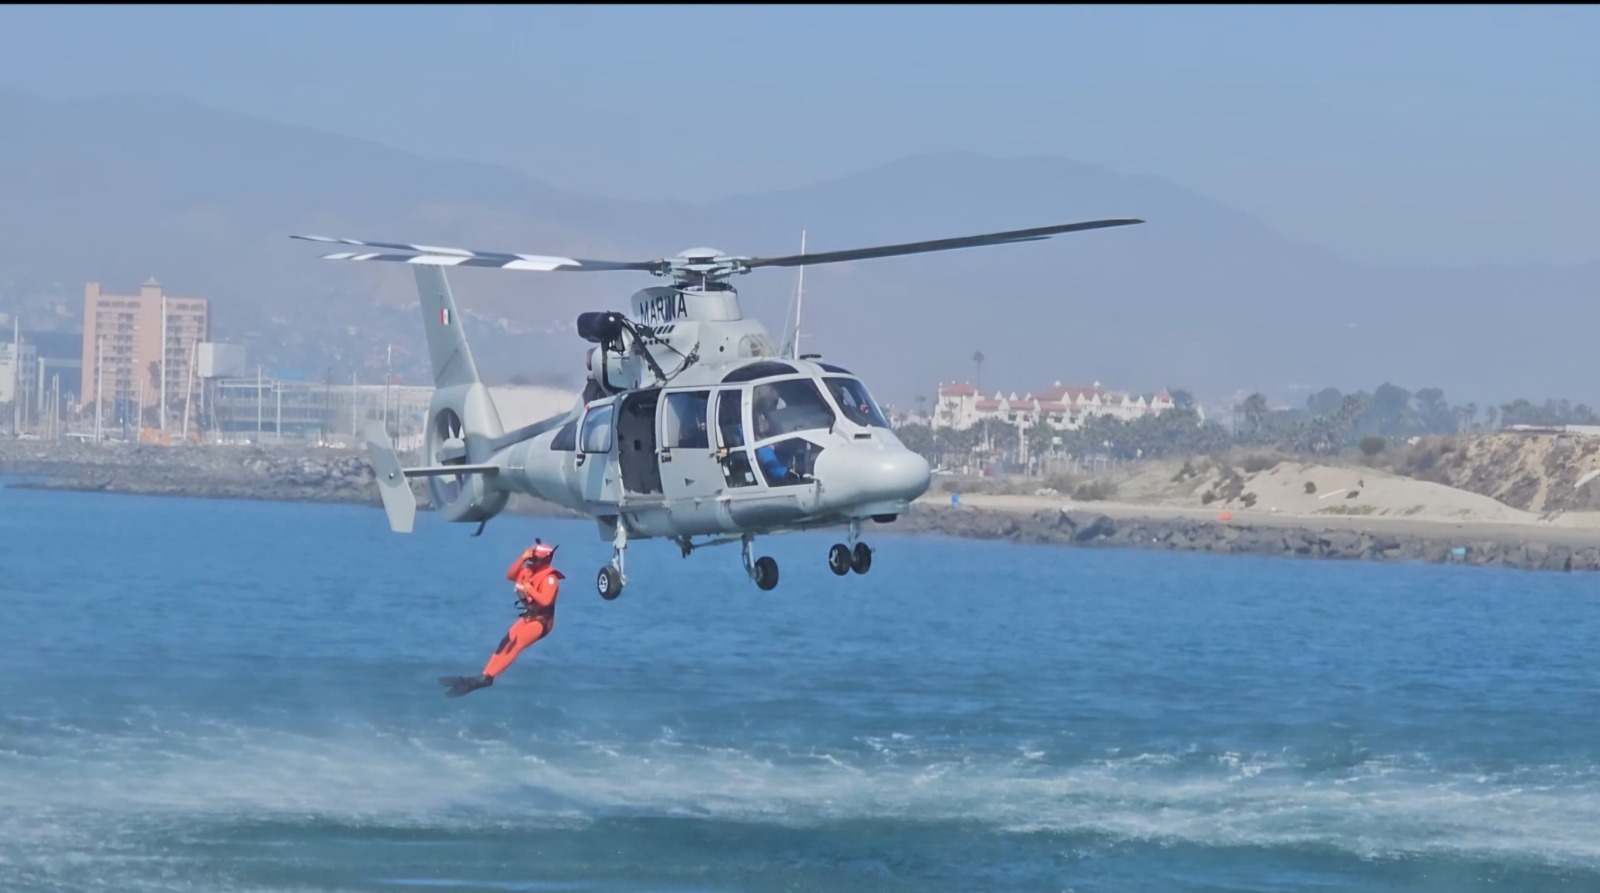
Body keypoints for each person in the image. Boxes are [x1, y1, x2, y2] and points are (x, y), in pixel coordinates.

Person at [438, 539, 564, 698]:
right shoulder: (528, 571)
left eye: (535, 559)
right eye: (532, 558)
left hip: (541, 621)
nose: (532, 562)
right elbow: (510, 575)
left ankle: (488, 677)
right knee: (506, 641)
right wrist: (522, 557)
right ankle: (485, 674)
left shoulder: (550, 579)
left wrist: (530, 589)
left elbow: (546, 601)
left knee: (516, 645)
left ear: (545, 560)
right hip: (529, 615)